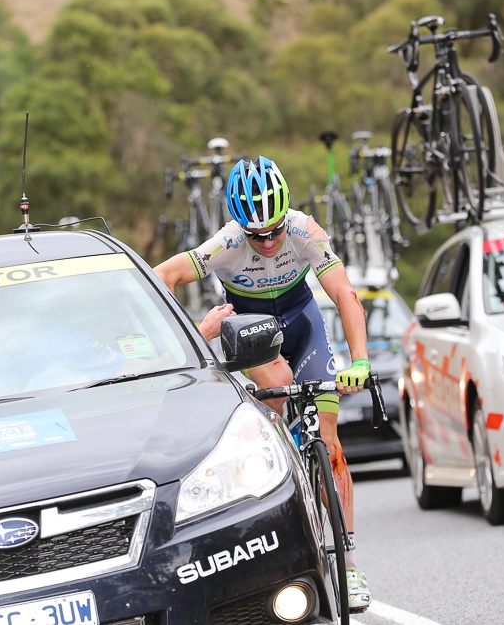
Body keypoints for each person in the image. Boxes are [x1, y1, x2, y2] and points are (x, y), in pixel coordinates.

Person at [155, 155, 373, 612]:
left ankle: (349, 566)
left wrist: (362, 360)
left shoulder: (304, 231)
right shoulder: (228, 243)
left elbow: (345, 296)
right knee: (278, 381)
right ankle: (284, 458)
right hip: (255, 334)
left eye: (275, 229)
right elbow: (163, 278)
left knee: (330, 444)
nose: (271, 241)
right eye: (260, 235)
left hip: (304, 325)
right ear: (241, 227)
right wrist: (200, 329)